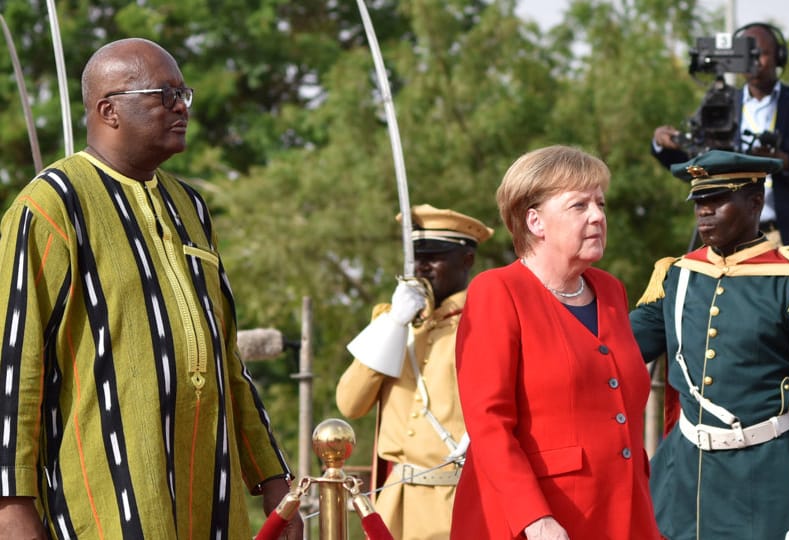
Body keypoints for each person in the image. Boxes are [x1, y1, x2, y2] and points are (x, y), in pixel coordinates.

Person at [0, 38, 303, 539]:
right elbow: (14, 367)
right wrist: (11, 506)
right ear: (109, 110)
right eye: (164, 95)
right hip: (106, 497)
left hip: (209, 492)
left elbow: (226, 356)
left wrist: (273, 476)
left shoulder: (192, 208)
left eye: (184, 93)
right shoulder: (51, 206)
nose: (181, 106)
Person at [451, 145, 660, 540]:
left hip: (623, 517)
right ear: (535, 221)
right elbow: (489, 423)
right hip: (534, 522)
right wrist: (535, 518)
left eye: (600, 203)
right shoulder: (497, 291)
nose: (598, 216)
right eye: (578, 206)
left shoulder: (611, 291)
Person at [631, 150, 789, 540]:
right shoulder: (677, 275)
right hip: (682, 476)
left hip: (765, 479)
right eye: (699, 201)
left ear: (756, 201)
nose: (704, 212)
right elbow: (613, 352)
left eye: (717, 200)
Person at [336, 204, 493, 540]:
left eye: (434, 256)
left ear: (466, 260)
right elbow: (350, 404)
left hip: (457, 502)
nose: (420, 266)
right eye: (415, 256)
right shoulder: (394, 321)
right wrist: (394, 323)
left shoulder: (488, 321)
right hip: (393, 504)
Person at [651, 22, 789, 254]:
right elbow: (694, 164)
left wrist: (785, 162)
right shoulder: (720, 103)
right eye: (747, 54)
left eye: (762, 53)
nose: (755, 62)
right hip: (732, 238)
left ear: (779, 56)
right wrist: (661, 142)